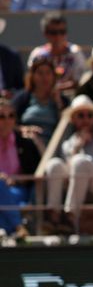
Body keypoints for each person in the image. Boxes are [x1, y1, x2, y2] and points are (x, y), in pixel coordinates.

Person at [40, 94, 93, 234]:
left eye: (90, 115)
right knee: (54, 164)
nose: (86, 119)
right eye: (81, 115)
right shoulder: (69, 144)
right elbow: (69, 173)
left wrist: (88, 167)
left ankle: (70, 218)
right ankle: (53, 216)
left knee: (80, 161)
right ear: (73, 119)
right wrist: (78, 147)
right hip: (82, 191)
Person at [0, 97, 42, 236]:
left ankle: (11, 228)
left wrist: (16, 180)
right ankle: (18, 226)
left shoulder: (24, 142)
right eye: (1, 116)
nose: (7, 120)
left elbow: (36, 172)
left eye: (11, 116)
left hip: (18, 190)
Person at [27, 11, 85, 91]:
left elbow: (79, 81)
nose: (58, 36)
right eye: (53, 33)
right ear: (45, 34)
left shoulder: (75, 52)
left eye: (62, 32)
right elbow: (32, 81)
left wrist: (57, 89)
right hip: (44, 97)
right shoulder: (38, 54)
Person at [14, 55, 65, 137]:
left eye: (48, 73)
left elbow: (65, 127)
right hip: (26, 144)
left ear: (53, 76)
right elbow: (7, 122)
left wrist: (58, 103)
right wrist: (24, 129)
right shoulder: (22, 98)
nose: (44, 77)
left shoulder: (62, 100)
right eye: (40, 73)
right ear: (32, 76)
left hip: (53, 146)